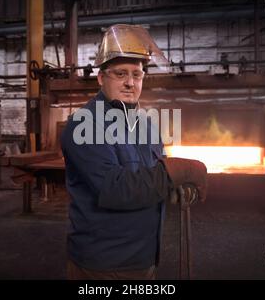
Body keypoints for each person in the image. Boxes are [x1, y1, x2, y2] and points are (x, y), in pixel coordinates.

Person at [61, 24, 207, 280]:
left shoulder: (147, 125)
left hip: (145, 258)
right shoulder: (83, 125)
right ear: (101, 78)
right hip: (104, 265)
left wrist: (175, 190)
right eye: (120, 74)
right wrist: (177, 172)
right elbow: (116, 189)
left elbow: (150, 177)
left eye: (137, 75)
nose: (130, 82)